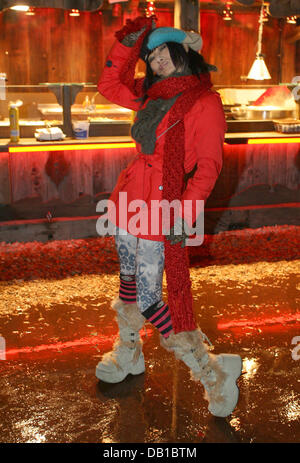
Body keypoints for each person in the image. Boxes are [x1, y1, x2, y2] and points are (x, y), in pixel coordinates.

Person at [95, 15, 243, 418]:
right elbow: (107, 85)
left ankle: (211, 372)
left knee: (149, 298)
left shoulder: (204, 102)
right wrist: (129, 42)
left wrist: (185, 211)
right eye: (152, 55)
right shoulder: (149, 94)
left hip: (164, 206)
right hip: (128, 201)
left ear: (184, 52)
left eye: (164, 52)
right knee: (128, 282)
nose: (157, 61)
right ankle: (129, 353)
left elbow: (209, 166)